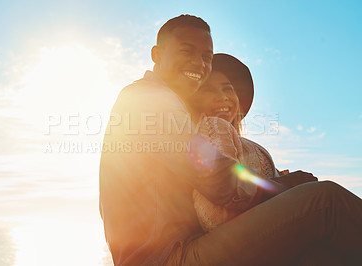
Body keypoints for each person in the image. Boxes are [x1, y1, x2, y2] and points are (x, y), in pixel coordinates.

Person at [100, 15, 362, 265]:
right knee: (325, 201)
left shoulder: (160, 103)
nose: (199, 64)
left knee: (316, 257)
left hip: (178, 250)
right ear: (156, 55)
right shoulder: (147, 99)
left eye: (207, 57)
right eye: (186, 51)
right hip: (172, 257)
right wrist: (282, 189)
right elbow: (216, 176)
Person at [187, 54, 318, 231]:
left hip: (259, 230)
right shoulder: (214, 126)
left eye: (227, 89)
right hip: (243, 237)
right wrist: (287, 187)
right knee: (328, 198)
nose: (223, 97)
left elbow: (244, 176)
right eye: (209, 89)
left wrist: (283, 178)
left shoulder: (232, 139)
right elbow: (215, 216)